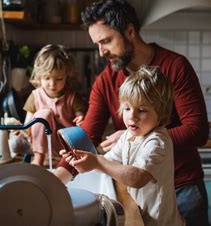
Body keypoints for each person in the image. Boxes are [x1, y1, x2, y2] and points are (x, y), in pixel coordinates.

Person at [55, 0, 209, 225]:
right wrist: (56, 180)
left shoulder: (175, 66)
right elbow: (87, 136)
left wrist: (136, 138)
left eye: (106, 41)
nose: (101, 52)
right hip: (138, 194)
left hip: (182, 188)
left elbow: (197, 130)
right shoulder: (106, 80)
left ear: (129, 31)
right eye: (97, 44)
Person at [62, 66, 184, 225]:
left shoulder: (157, 141)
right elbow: (110, 162)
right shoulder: (129, 135)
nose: (131, 116)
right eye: (127, 108)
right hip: (143, 217)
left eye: (141, 110)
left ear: (160, 113)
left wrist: (97, 162)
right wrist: (85, 161)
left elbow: (137, 178)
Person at [21, 44, 86, 166]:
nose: (52, 84)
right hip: (43, 145)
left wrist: (81, 121)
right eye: (47, 78)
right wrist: (21, 129)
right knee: (43, 114)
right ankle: (38, 159)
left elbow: (82, 121)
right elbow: (28, 126)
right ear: (39, 76)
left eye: (59, 79)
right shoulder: (35, 96)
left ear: (67, 76)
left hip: (67, 144)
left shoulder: (72, 97)